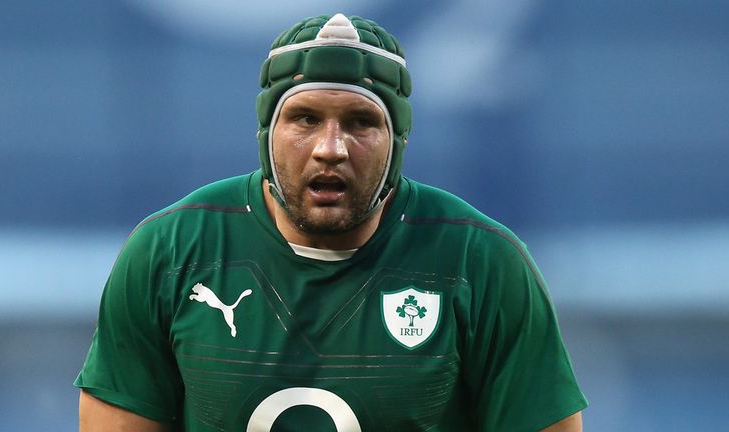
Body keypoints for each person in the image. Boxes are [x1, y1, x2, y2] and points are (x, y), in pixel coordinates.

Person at [75, 13, 588, 432]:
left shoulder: (481, 262)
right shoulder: (171, 253)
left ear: (398, 142)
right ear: (266, 132)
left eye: (362, 122)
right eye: (305, 119)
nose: (330, 148)